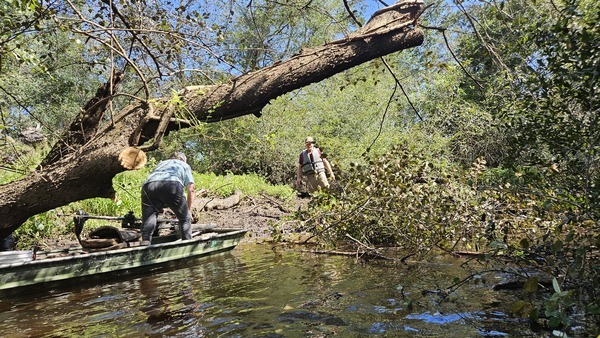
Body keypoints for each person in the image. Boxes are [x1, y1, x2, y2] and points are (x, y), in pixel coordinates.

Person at [141, 151, 195, 244]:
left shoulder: (162, 163)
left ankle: (145, 246)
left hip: (148, 185)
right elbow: (191, 189)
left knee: (149, 218)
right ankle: (187, 245)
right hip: (172, 184)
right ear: (184, 160)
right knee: (185, 219)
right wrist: (188, 211)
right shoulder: (184, 165)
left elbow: (160, 187)